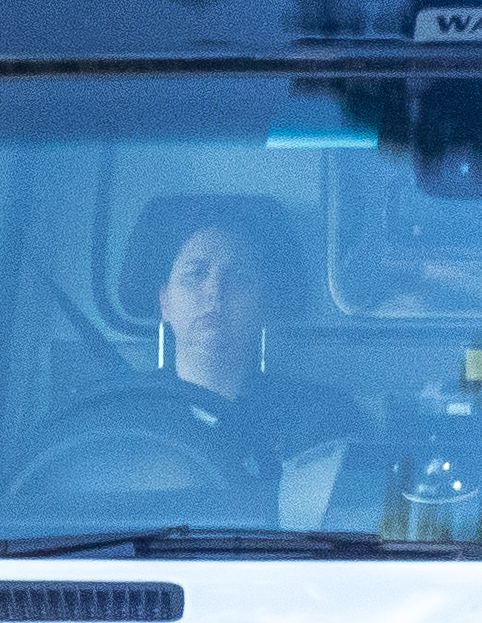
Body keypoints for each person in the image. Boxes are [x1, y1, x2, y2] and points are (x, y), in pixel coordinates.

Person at [129, 201, 367, 475]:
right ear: (165, 302)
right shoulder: (126, 413)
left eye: (239, 277)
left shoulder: (322, 419)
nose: (215, 293)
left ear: (265, 304)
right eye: (195, 274)